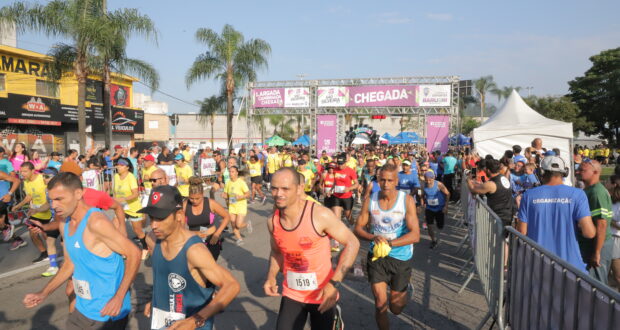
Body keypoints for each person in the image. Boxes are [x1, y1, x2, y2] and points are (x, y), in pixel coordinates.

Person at [23, 172, 141, 329]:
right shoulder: (65, 223)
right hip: (82, 309)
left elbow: (134, 253)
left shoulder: (96, 222)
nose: (53, 205)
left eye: (59, 199)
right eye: (51, 200)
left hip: (107, 313)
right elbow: (69, 264)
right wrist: (43, 293)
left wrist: (119, 297)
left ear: (78, 194)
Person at [264, 167, 359, 330]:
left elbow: (353, 243)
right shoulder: (273, 222)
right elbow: (277, 251)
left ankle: (335, 315)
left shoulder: (319, 215)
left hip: (323, 293)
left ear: (300, 188)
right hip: (292, 293)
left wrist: (334, 284)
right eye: (274, 188)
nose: (278, 194)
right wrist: (271, 276)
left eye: (285, 189)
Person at [140, 185, 240, 329]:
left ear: (179, 215)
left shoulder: (194, 250)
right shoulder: (152, 239)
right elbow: (165, 278)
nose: (154, 225)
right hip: (161, 321)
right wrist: (156, 300)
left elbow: (232, 286)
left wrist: (194, 320)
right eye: (152, 217)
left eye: (161, 218)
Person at [354, 164, 420, 330]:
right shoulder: (371, 200)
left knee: (396, 309)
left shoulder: (406, 200)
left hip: (400, 257)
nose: (385, 184)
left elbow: (415, 235)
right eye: (382, 180)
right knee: (380, 305)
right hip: (377, 257)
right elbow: (358, 228)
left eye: (390, 180)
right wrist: (372, 237)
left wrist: (389, 243)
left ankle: (405, 289)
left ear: (396, 181)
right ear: (378, 180)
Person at [517, 156, 596, 272]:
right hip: (570, 267)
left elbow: (521, 232)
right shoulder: (578, 194)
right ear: (565, 173)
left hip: (537, 265)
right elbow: (589, 233)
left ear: (540, 172)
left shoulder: (529, 195)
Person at [576, 159, 614, 284]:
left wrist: (597, 252)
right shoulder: (589, 190)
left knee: (596, 284)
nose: (578, 172)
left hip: (597, 245)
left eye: (583, 170)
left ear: (596, 172)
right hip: (591, 244)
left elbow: (601, 224)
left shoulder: (597, 192)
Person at [11, 162, 54, 263]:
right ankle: (44, 253)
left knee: (45, 235)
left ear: (32, 171)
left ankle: (53, 254)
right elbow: (29, 196)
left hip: (46, 210)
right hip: (35, 212)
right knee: (33, 233)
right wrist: (18, 206)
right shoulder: (26, 182)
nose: (22, 174)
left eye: (25, 171)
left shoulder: (42, 178)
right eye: (21, 171)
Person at [184, 177, 230, 261]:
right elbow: (178, 226)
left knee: (210, 269)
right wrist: (192, 234)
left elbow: (226, 217)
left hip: (211, 241)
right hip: (194, 242)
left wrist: (217, 234)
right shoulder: (185, 205)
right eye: (191, 198)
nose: (194, 201)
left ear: (202, 194)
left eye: (197, 198)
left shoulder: (210, 203)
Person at [113, 158, 147, 259]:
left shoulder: (131, 177)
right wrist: (115, 202)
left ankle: (145, 248)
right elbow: (115, 192)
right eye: (118, 164)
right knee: (116, 228)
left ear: (127, 167)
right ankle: (123, 250)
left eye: (121, 165)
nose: (118, 166)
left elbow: (135, 194)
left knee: (138, 231)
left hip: (133, 207)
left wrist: (122, 199)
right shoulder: (116, 176)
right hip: (121, 208)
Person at [466, 159, 515, 229]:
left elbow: (473, 190)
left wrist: (468, 180)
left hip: (498, 218)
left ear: (488, 170)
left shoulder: (491, 184)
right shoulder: (503, 177)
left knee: (495, 239)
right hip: (507, 215)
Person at [420, 171, 450, 249]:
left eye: (430, 180)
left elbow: (448, 194)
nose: (428, 182)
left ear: (433, 178)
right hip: (429, 208)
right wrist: (422, 204)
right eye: (426, 180)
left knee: (440, 226)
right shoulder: (423, 185)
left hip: (439, 208)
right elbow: (422, 195)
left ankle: (437, 232)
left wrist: (446, 206)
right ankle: (433, 240)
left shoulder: (439, 184)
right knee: (429, 225)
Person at [222, 166, 251, 245]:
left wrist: (241, 196)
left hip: (241, 206)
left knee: (238, 224)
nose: (231, 173)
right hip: (232, 206)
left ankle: (247, 224)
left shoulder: (241, 182)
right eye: (230, 172)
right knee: (233, 224)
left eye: (233, 172)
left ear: (237, 173)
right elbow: (225, 193)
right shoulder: (228, 183)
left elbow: (248, 194)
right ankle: (239, 239)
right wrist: (224, 195)